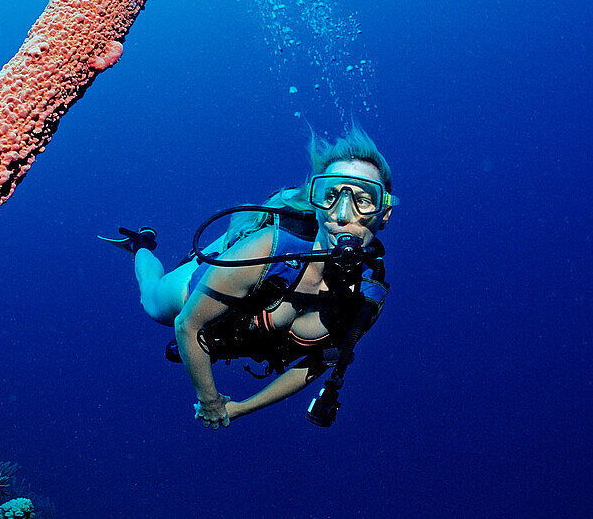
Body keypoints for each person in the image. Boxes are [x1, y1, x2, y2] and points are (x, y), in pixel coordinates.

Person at [102, 125, 395, 429]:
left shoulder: (367, 298)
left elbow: (319, 362)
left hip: (241, 319)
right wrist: (210, 401)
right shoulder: (272, 247)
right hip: (201, 289)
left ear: (384, 212)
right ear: (315, 200)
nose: (343, 214)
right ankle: (142, 246)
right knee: (151, 300)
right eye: (331, 195)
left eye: (364, 199)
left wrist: (241, 408)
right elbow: (187, 325)